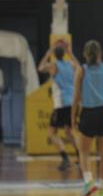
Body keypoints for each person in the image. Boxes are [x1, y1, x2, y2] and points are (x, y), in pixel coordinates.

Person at [72, 40, 103, 196]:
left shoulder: (81, 71)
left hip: (88, 114)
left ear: (85, 54)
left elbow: (76, 97)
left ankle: (89, 184)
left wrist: (73, 117)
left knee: (84, 152)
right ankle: (102, 188)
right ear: (100, 54)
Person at [38, 43, 78, 171]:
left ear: (54, 55)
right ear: (64, 54)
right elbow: (78, 65)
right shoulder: (70, 64)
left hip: (61, 104)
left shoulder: (54, 65)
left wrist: (48, 53)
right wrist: (70, 52)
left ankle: (65, 158)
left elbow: (40, 68)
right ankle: (80, 156)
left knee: (51, 133)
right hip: (72, 103)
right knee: (68, 132)